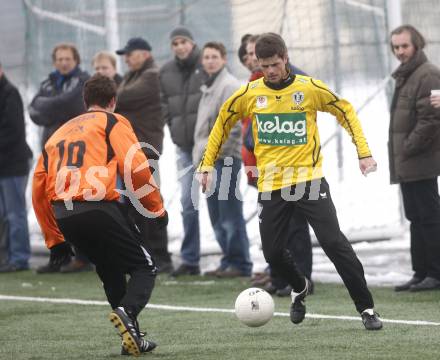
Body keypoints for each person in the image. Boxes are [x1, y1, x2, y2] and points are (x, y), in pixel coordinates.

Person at [198, 33, 382, 330]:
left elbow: (345, 110)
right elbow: (221, 123)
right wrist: (206, 165)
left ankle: (367, 309)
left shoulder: (308, 88)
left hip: (309, 181)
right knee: (272, 252)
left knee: (334, 243)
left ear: (286, 58)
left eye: (275, 64)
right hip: (271, 185)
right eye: (264, 65)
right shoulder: (249, 93)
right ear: (257, 62)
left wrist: (363, 152)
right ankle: (299, 286)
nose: (270, 70)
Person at [32, 74, 167, 355]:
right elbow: (136, 168)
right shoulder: (113, 121)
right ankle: (127, 312)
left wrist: (53, 239)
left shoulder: (60, 131)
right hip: (97, 207)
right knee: (145, 267)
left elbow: (38, 186)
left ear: (85, 101)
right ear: (113, 101)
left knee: (110, 270)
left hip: (64, 214)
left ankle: (133, 338)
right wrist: (155, 208)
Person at [240, 34, 313, 296]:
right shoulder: (253, 81)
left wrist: (252, 141)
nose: (251, 58)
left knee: (295, 225)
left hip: (291, 166)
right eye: (248, 54)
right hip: (263, 166)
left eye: (253, 53)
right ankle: (281, 278)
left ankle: (303, 279)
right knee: (273, 226)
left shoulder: (299, 81)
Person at [29, 43, 92, 273]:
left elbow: (73, 104)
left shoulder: (83, 80)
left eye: (68, 58)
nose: (64, 62)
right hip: (51, 154)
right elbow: (34, 110)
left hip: (75, 154)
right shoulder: (47, 82)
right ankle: (61, 256)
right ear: (54, 61)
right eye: (60, 59)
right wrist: (57, 106)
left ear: (75, 60)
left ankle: (83, 257)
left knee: (76, 206)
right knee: (54, 207)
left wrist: (51, 107)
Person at [193, 42, 252, 278]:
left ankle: (240, 262)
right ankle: (228, 259)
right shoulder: (208, 86)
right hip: (209, 161)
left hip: (224, 159)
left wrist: (215, 155)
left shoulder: (229, 86)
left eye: (214, 56)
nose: (209, 61)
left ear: (224, 59)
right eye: (206, 57)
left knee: (229, 213)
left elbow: (234, 127)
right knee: (216, 214)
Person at [389, 25, 440, 292]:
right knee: (415, 216)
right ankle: (420, 273)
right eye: (396, 47)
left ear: (416, 45)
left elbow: (431, 119)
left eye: (404, 46)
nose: (400, 52)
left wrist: (408, 147)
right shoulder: (406, 75)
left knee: (429, 216)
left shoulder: (428, 74)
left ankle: (435, 272)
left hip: (421, 159)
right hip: (407, 160)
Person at [116, 37, 172, 273]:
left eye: (130, 53)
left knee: (149, 204)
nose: (127, 58)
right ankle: (147, 255)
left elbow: (120, 97)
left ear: (145, 53)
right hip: (131, 150)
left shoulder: (150, 75)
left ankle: (161, 256)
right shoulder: (132, 75)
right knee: (134, 205)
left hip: (145, 148)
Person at [160, 27, 207, 276]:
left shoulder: (207, 63)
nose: (180, 47)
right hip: (185, 148)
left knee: (222, 203)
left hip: (211, 147)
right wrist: (173, 126)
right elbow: (164, 103)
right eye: (175, 43)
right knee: (188, 203)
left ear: (192, 43)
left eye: (184, 42)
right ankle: (190, 259)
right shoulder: (166, 71)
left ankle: (236, 260)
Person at [0, 62, 33, 272]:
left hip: (14, 165)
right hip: (3, 165)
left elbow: (13, 132)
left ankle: (19, 258)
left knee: (15, 213)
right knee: (4, 213)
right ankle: (9, 256)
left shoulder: (10, 94)